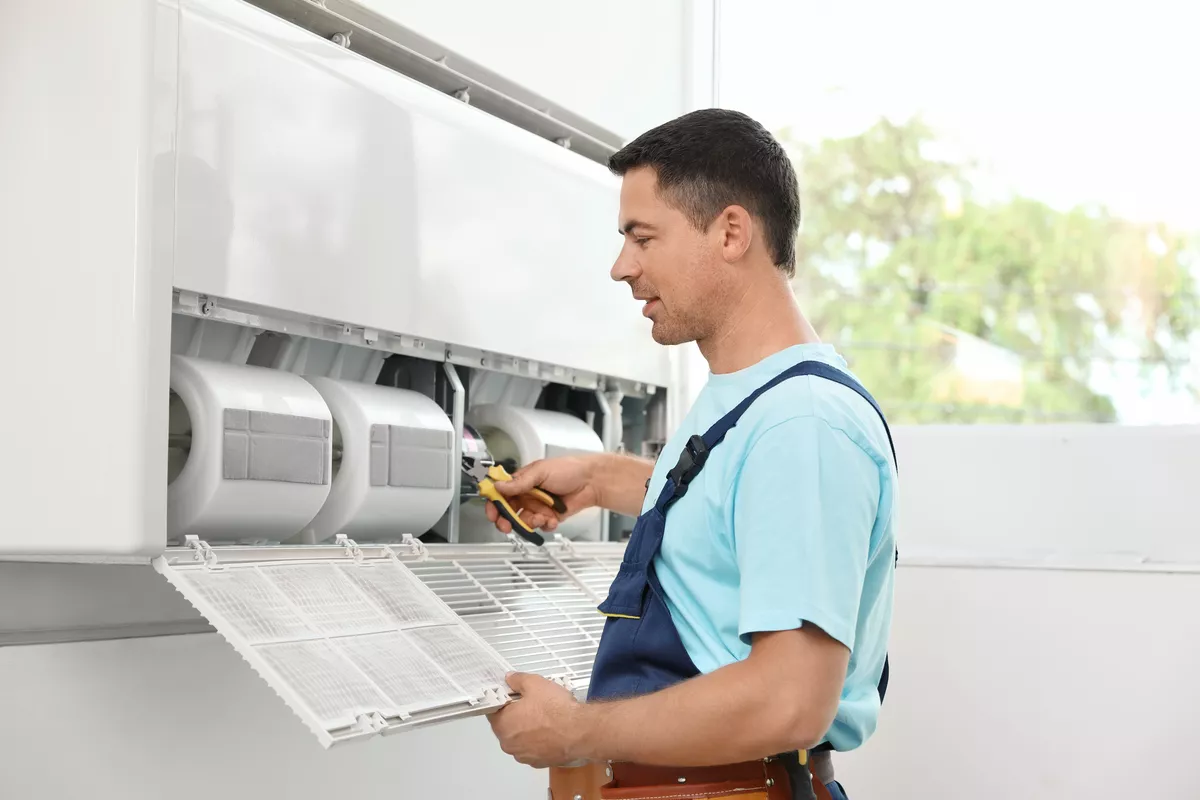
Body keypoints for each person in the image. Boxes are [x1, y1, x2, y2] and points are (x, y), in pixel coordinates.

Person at [485, 109, 897, 800]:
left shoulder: (802, 425)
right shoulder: (756, 403)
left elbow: (789, 700)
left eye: (643, 238)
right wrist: (600, 479)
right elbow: (739, 505)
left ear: (731, 231)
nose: (622, 267)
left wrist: (577, 732)